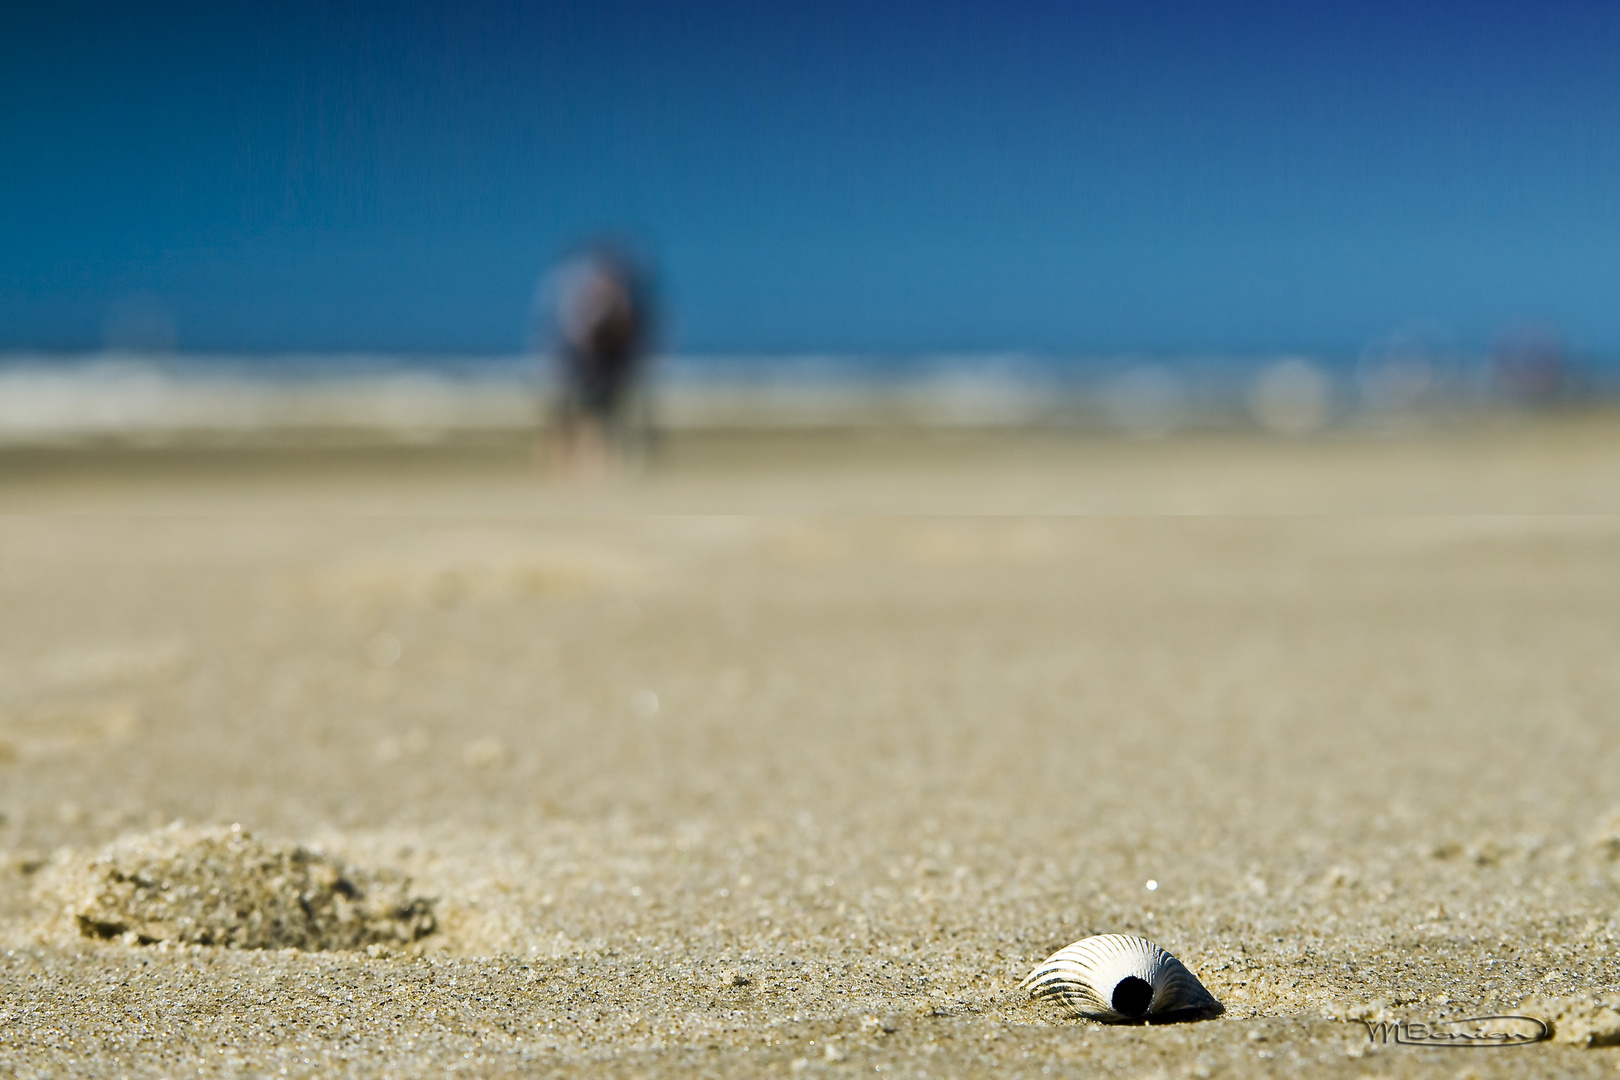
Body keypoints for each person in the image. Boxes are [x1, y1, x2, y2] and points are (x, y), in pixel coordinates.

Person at [542, 246, 655, 477]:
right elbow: (575, 334)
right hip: (580, 365)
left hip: (604, 366)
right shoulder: (577, 297)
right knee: (572, 415)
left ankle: (598, 465)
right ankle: (560, 463)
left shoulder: (621, 301)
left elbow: (627, 333)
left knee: (602, 416)